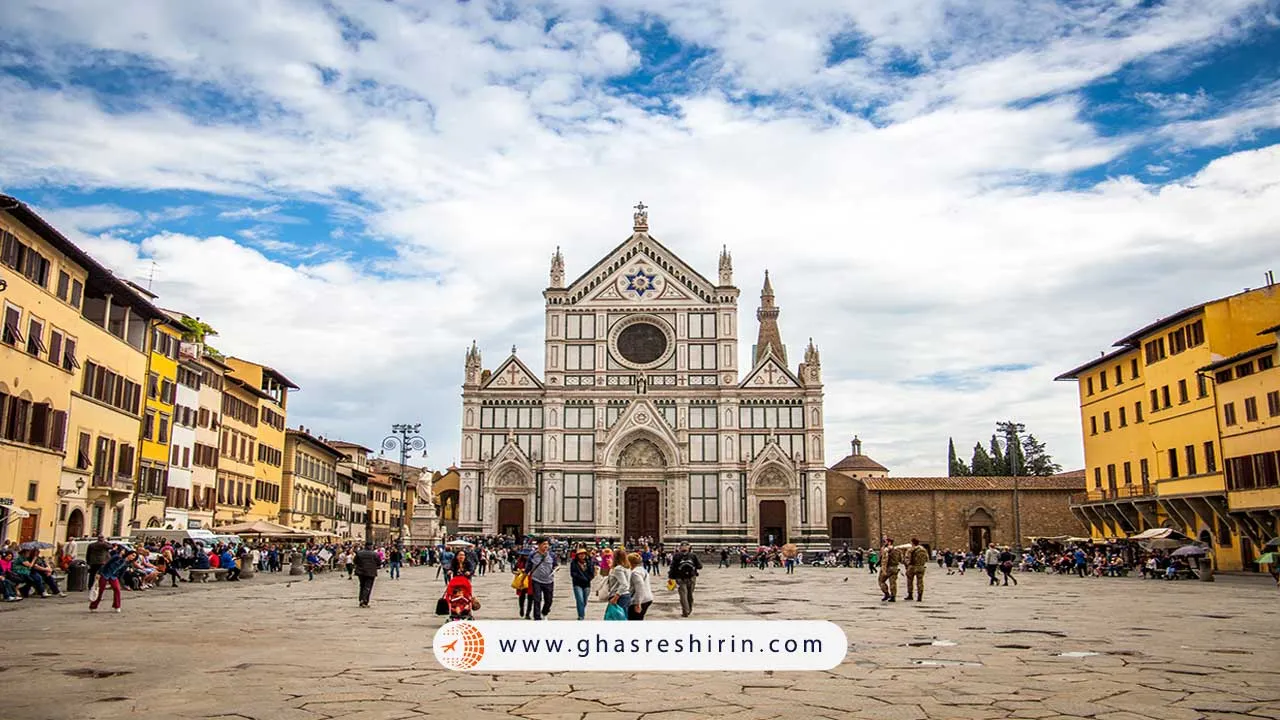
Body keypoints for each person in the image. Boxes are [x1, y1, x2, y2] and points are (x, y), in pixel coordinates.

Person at [90, 547, 132, 613]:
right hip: (105, 573)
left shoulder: (127, 563)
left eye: (134, 556)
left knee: (117, 589)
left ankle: (117, 606)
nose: (132, 557)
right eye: (132, 555)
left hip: (113, 576)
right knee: (100, 590)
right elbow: (106, 564)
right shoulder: (116, 557)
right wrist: (99, 573)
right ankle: (93, 606)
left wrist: (122, 583)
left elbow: (121, 573)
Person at [670, 542, 702, 617]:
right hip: (691, 578)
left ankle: (685, 611)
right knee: (689, 595)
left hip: (680, 578)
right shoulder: (693, 555)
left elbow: (673, 567)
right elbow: (700, 566)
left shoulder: (676, 556)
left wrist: (671, 578)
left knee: (683, 595)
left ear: (680, 548)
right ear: (689, 547)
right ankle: (689, 609)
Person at [528, 538, 557, 621]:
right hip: (536, 580)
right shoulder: (533, 555)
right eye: (544, 544)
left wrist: (556, 568)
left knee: (549, 600)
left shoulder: (552, 555)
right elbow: (528, 567)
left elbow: (555, 565)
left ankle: (544, 612)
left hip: (549, 580)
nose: (546, 546)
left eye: (547, 544)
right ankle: (537, 618)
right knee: (537, 599)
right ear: (539, 545)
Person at [601, 548, 632, 617]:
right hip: (626, 595)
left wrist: (616, 597)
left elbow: (624, 584)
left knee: (615, 618)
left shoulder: (618, 569)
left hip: (619, 597)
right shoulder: (626, 568)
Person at [569, 548, 595, 621]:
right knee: (580, 599)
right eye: (580, 554)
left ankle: (581, 613)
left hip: (587, 584)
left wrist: (589, 578)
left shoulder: (589, 563)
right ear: (577, 555)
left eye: (583, 554)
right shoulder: (574, 563)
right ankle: (581, 616)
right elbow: (573, 574)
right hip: (577, 583)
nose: (582, 555)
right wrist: (582, 578)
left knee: (584, 600)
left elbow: (592, 573)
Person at [627, 552, 653, 620]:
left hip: (641, 600)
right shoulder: (642, 570)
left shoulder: (635, 573)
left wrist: (638, 603)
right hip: (647, 598)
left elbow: (640, 588)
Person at [354, 542, 380, 608]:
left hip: (361, 572)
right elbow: (379, 562)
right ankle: (364, 600)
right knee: (368, 587)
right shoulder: (374, 554)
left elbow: (355, 561)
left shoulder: (359, 553)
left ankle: (361, 600)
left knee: (362, 586)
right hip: (370, 572)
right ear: (371, 546)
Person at [513, 554, 533, 619]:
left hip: (530, 580)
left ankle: (528, 613)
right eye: (525, 555)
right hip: (521, 580)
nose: (526, 557)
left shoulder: (532, 562)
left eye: (527, 555)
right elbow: (513, 570)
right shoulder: (518, 562)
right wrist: (519, 572)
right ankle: (521, 608)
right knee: (521, 597)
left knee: (530, 597)